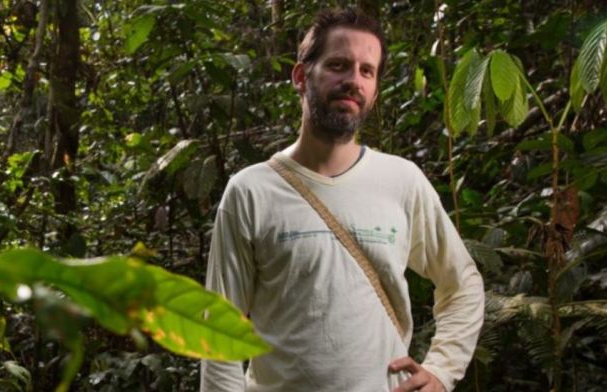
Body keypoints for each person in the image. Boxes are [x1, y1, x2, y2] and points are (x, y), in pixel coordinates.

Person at [200, 8, 485, 392]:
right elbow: (219, 334)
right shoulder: (250, 191)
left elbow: (462, 283)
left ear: (375, 90)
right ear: (302, 76)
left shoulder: (401, 181)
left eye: (367, 71)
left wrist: (441, 371)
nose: (354, 80)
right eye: (338, 65)